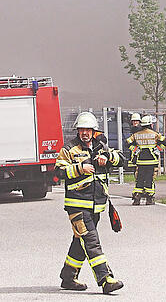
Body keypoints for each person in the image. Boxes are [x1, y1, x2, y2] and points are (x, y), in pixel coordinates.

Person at [55, 111, 125, 294]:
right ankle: (106, 279)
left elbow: (123, 160)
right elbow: (57, 172)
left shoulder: (101, 148)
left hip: (96, 206)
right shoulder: (69, 149)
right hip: (77, 206)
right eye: (81, 129)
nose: (84, 133)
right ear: (77, 131)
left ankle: (68, 277)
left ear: (94, 131)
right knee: (92, 242)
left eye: (88, 130)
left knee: (81, 241)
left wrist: (108, 158)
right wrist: (80, 168)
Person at [126, 115, 166, 205]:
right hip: (152, 161)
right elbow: (165, 141)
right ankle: (149, 199)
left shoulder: (136, 134)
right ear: (150, 124)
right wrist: (158, 150)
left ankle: (137, 197)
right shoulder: (155, 134)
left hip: (140, 161)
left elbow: (127, 143)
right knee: (149, 179)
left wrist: (136, 150)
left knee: (139, 179)